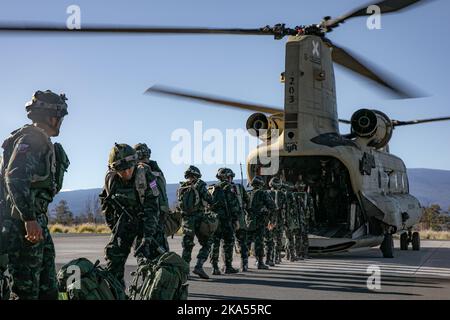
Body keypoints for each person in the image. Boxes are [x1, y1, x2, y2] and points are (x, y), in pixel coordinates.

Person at [0, 90, 70, 299]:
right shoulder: (31, 139)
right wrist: (29, 218)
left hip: (36, 223)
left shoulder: (39, 139)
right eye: (60, 118)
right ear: (51, 117)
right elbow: (14, 177)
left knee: (48, 288)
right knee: (26, 290)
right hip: (21, 225)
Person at [99, 143, 167, 287]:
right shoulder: (111, 180)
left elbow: (153, 207)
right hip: (125, 221)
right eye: (121, 170)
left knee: (153, 261)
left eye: (129, 168)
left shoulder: (146, 175)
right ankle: (117, 292)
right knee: (113, 256)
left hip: (148, 221)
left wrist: (147, 237)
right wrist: (114, 227)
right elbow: (106, 204)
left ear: (135, 163)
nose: (126, 173)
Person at [177, 165, 213, 279]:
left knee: (187, 246)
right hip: (199, 219)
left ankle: (185, 272)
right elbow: (209, 199)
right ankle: (199, 266)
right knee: (207, 243)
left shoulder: (182, 187)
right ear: (197, 175)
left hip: (187, 220)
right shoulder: (200, 185)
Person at [209, 168, 240, 275]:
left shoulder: (213, 187)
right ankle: (227, 266)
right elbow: (234, 206)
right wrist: (236, 220)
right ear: (228, 177)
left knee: (215, 243)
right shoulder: (229, 188)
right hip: (226, 221)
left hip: (214, 220)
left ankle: (214, 267)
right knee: (228, 243)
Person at [246, 176, 276, 270]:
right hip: (260, 221)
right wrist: (269, 216)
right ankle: (259, 262)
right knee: (259, 242)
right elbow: (272, 206)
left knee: (247, 242)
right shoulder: (262, 193)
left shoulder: (248, 193)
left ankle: (244, 263)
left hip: (249, 221)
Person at [231, 173, 250, 271]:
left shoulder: (218, 188)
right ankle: (244, 265)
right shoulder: (238, 187)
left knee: (226, 244)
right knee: (243, 242)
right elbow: (247, 201)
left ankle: (224, 266)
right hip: (240, 220)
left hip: (226, 222)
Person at [267, 177, 286, 265]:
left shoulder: (267, 193)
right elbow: (285, 208)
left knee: (269, 239)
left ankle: (269, 258)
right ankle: (277, 257)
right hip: (279, 220)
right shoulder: (282, 194)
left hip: (269, 220)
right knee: (278, 239)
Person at [284, 181, 300, 261]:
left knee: (287, 237)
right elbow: (294, 209)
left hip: (284, 219)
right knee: (290, 238)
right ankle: (292, 256)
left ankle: (287, 255)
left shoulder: (283, 194)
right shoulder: (291, 195)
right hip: (290, 219)